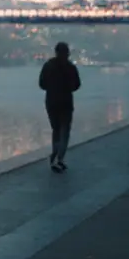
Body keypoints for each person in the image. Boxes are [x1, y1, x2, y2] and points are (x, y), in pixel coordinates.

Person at [38, 42, 81, 172]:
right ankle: (59, 158)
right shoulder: (71, 67)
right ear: (67, 53)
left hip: (51, 101)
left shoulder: (48, 66)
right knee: (65, 130)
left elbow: (42, 84)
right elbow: (77, 85)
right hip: (66, 102)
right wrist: (67, 88)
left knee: (55, 130)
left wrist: (52, 88)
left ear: (55, 52)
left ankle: (54, 155)